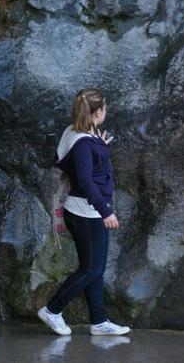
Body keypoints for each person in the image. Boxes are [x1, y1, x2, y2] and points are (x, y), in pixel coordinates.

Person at [37, 89, 130, 337]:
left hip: (84, 211)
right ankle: (52, 310)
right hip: (86, 213)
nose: (106, 112)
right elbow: (86, 181)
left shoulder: (77, 133)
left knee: (94, 268)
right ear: (98, 112)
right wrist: (105, 212)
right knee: (91, 269)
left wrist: (98, 145)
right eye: (105, 109)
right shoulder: (83, 143)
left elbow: (72, 159)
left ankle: (99, 322)